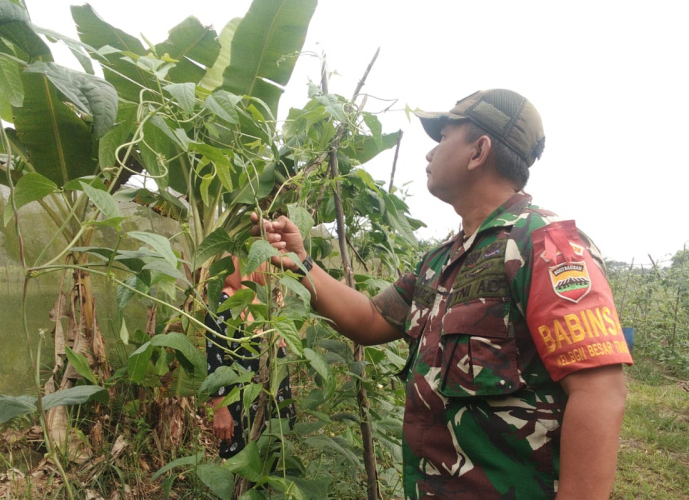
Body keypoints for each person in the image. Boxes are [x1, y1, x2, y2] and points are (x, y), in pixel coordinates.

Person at [252, 89, 633, 499]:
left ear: (478, 151)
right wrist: (304, 264)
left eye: (443, 138)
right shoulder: (440, 261)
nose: (430, 154)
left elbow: (599, 392)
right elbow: (368, 319)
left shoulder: (543, 245)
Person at [204, 258, 294, 458]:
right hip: (241, 408)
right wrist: (220, 410)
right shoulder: (224, 303)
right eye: (266, 263)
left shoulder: (268, 302)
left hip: (270, 404)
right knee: (243, 465)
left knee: (270, 462)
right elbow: (214, 360)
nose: (271, 271)